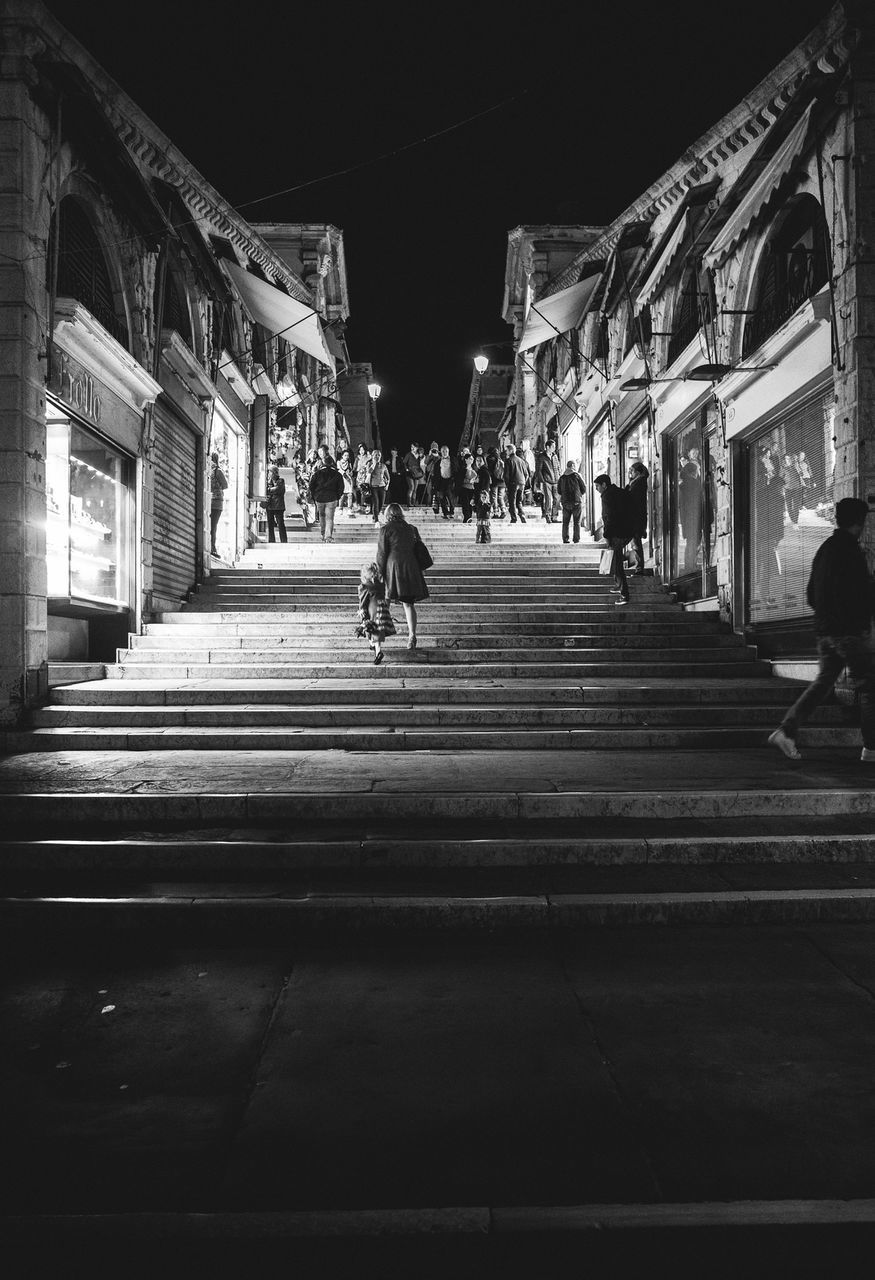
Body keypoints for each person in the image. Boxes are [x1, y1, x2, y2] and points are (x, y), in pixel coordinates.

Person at [769, 496, 875, 762]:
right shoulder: (850, 551)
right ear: (860, 522)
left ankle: (787, 730)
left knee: (822, 683)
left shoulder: (825, 549)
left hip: (825, 630)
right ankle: (871, 748)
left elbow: (811, 594)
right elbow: (860, 594)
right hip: (848, 632)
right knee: (869, 686)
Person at [376, 503, 430, 650]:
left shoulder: (385, 530)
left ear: (387, 515)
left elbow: (382, 554)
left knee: (385, 604)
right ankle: (412, 636)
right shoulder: (412, 529)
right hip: (410, 568)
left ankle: (378, 640)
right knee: (408, 604)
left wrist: (379, 574)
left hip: (392, 568)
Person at [594, 472, 632, 605]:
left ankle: (624, 594)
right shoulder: (619, 492)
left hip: (616, 533)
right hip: (626, 531)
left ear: (604, 485)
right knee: (617, 562)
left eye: (598, 486)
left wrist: (607, 536)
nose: (597, 489)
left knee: (617, 564)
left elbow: (608, 517)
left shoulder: (607, 496)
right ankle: (618, 586)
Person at [356, 561, 395, 666]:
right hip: (382, 608)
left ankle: (377, 651)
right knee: (377, 629)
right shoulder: (380, 583)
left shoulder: (364, 586)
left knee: (370, 628)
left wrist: (361, 610)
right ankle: (376, 648)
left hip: (372, 609)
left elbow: (363, 601)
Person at [308, 446, 344, 542]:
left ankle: (323, 534)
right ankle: (328, 536)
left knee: (322, 517)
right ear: (331, 463)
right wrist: (337, 496)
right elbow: (341, 487)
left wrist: (314, 496)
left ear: (322, 463)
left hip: (319, 498)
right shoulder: (337, 474)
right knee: (330, 518)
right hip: (332, 498)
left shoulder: (317, 474)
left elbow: (311, 486)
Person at [678, 446, 704, 572]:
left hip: (688, 520)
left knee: (691, 543)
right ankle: (690, 566)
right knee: (693, 543)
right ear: (693, 472)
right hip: (694, 519)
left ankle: (690, 565)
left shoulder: (683, 486)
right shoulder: (693, 485)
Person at [626, 460, 649, 573]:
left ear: (638, 472)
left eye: (633, 471)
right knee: (635, 542)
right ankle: (638, 567)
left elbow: (632, 498)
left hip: (636, 517)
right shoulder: (637, 481)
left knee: (636, 543)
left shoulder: (639, 482)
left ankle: (639, 568)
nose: (631, 473)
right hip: (637, 516)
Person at [557, 461, 586, 545]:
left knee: (565, 522)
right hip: (576, 502)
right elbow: (583, 488)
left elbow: (559, 491)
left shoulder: (561, 478)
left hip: (565, 503)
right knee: (576, 522)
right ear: (573, 466)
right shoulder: (577, 476)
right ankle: (576, 539)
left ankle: (565, 539)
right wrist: (579, 495)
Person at [504, 444, 529, 523]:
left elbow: (506, 475)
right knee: (519, 501)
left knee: (512, 501)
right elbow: (526, 474)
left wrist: (507, 485)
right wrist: (523, 482)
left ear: (511, 451)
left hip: (513, 483)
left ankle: (514, 518)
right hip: (522, 483)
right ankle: (522, 515)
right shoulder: (521, 460)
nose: (506, 452)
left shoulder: (508, 460)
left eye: (507, 450)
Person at [537, 440, 561, 523]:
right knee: (548, 499)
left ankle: (554, 517)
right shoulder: (541, 457)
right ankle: (547, 515)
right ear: (547, 447)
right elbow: (539, 470)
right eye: (553, 446)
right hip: (547, 481)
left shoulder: (555, 456)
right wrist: (542, 481)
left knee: (557, 499)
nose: (554, 448)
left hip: (556, 480)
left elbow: (558, 467)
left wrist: (559, 476)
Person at [209, 451, 227, 556]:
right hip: (216, 502)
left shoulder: (209, 470)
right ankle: (212, 548)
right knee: (213, 526)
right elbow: (225, 485)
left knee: (210, 526)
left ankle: (211, 547)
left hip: (210, 501)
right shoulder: (217, 471)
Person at [264, 464, 287, 543]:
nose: (269, 474)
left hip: (278, 506)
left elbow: (278, 489)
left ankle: (283, 540)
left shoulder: (281, 480)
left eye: (270, 472)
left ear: (274, 473)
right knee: (270, 524)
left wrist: (269, 490)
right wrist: (270, 490)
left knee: (280, 524)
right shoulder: (268, 481)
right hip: (270, 505)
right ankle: (271, 540)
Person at [369, 449, 390, 525]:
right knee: (376, 503)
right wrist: (374, 464)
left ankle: (374, 517)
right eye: (375, 455)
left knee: (381, 503)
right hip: (373, 486)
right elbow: (368, 472)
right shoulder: (370, 464)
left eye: (378, 455)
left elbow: (388, 477)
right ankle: (376, 520)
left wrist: (387, 485)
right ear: (372, 456)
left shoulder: (383, 465)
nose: (377, 456)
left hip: (382, 486)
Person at [458, 450, 478, 523]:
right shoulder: (463, 469)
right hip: (464, 488)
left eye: (472, 459)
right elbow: (460, 479)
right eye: (470, 459)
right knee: (465, 503)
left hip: (472, 488)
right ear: (466, 460)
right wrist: (468, 481)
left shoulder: (474, 468)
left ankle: (469, 517)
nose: (471, 460)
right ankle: (467, 517)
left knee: (470, 504)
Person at [435, 445, 455, 518]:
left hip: (450, 480)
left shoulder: (452, 460)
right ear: (441, 452)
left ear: (448, 452)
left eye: (446, 451)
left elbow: (456, 469)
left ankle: (452, 512)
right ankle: (445, 513)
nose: (445, 452)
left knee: (450, 497)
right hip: (441, 481)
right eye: (443, 451)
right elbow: (436, 473)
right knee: (441, 497)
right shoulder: (438, 462)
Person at [403, 443, 424, 507]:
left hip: (416, 473)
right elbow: (404, 463)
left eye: (414, 447)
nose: (412, 448)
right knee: (411, 487)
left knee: (415, 488)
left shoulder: (418, 455)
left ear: (417, 448)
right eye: (411, 447)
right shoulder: (409, 454)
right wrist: (406, 468)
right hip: (409, 473)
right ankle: (409, 503)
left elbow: (423, 460)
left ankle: (413, 502)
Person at [487, 446, 506, 518]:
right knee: (501, 496)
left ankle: (495, 513)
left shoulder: (489, 459)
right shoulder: (501, 459)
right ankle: (503, 510)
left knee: (494, 497)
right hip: (502, 481)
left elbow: (490, 470)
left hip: (494, 481)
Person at [354, 444, 371, 514]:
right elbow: (354, 467)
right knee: (358, 490)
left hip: (365, 475)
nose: (361, 451)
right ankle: (360, 506)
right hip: (359, 475)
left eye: (363, 450)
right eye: (360, 450)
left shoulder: (367, 457)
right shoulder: (357, 458)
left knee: (364, 491)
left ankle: (364, 505)